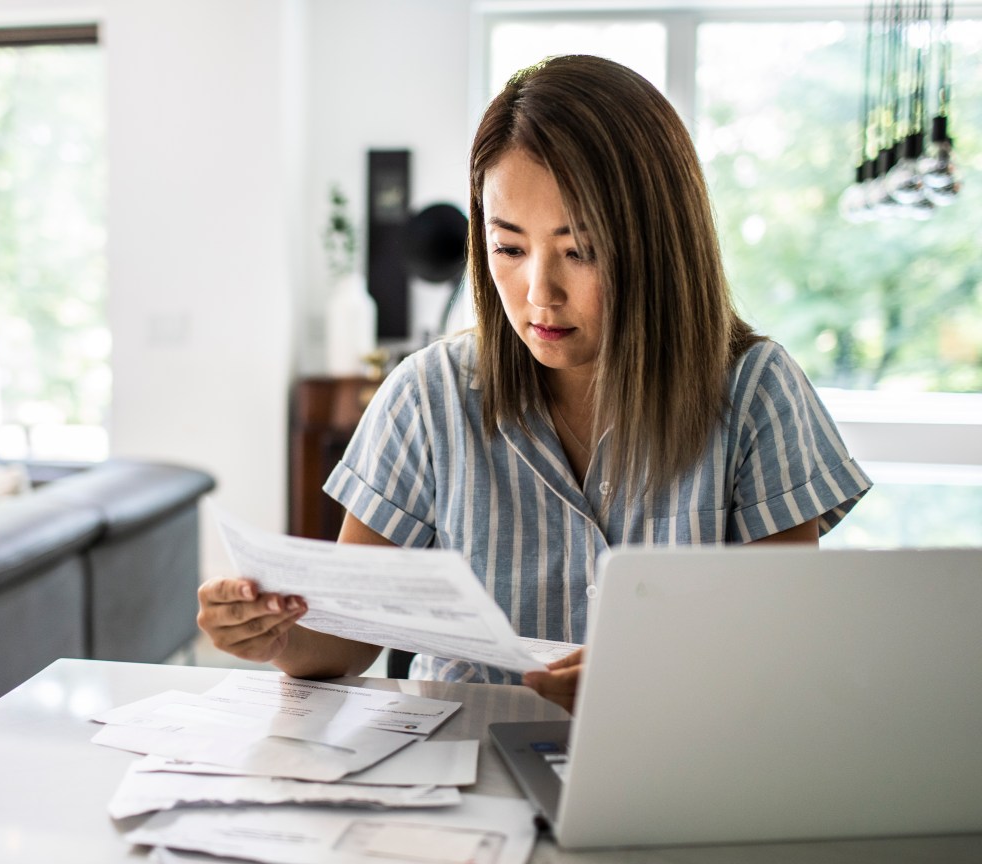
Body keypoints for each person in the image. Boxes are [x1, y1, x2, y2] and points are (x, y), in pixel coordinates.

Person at [197, 55, 872, 711]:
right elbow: (344, 641)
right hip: (460, 778)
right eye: (509, 248)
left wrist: (650, 677)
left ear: (658, 245)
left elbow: (786, 648)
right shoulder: (429, 395)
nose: (537, 292)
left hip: (678, 768)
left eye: (581, 251)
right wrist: (275, 633)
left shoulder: (756, 394)